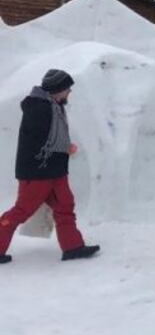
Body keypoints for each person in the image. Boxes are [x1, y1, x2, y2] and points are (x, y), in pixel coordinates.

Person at [0, 69, 100, 264]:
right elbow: (37, 140)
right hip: (37, 171)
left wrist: (63, 148)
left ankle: (72, 247)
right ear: (57, 89)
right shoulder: (38, 108)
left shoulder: (54, 106)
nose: (69, 92)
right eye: (67, 89)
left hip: (55, 169)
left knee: (65, 205)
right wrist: (64, 147)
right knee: (22, 210)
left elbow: (53, 137)